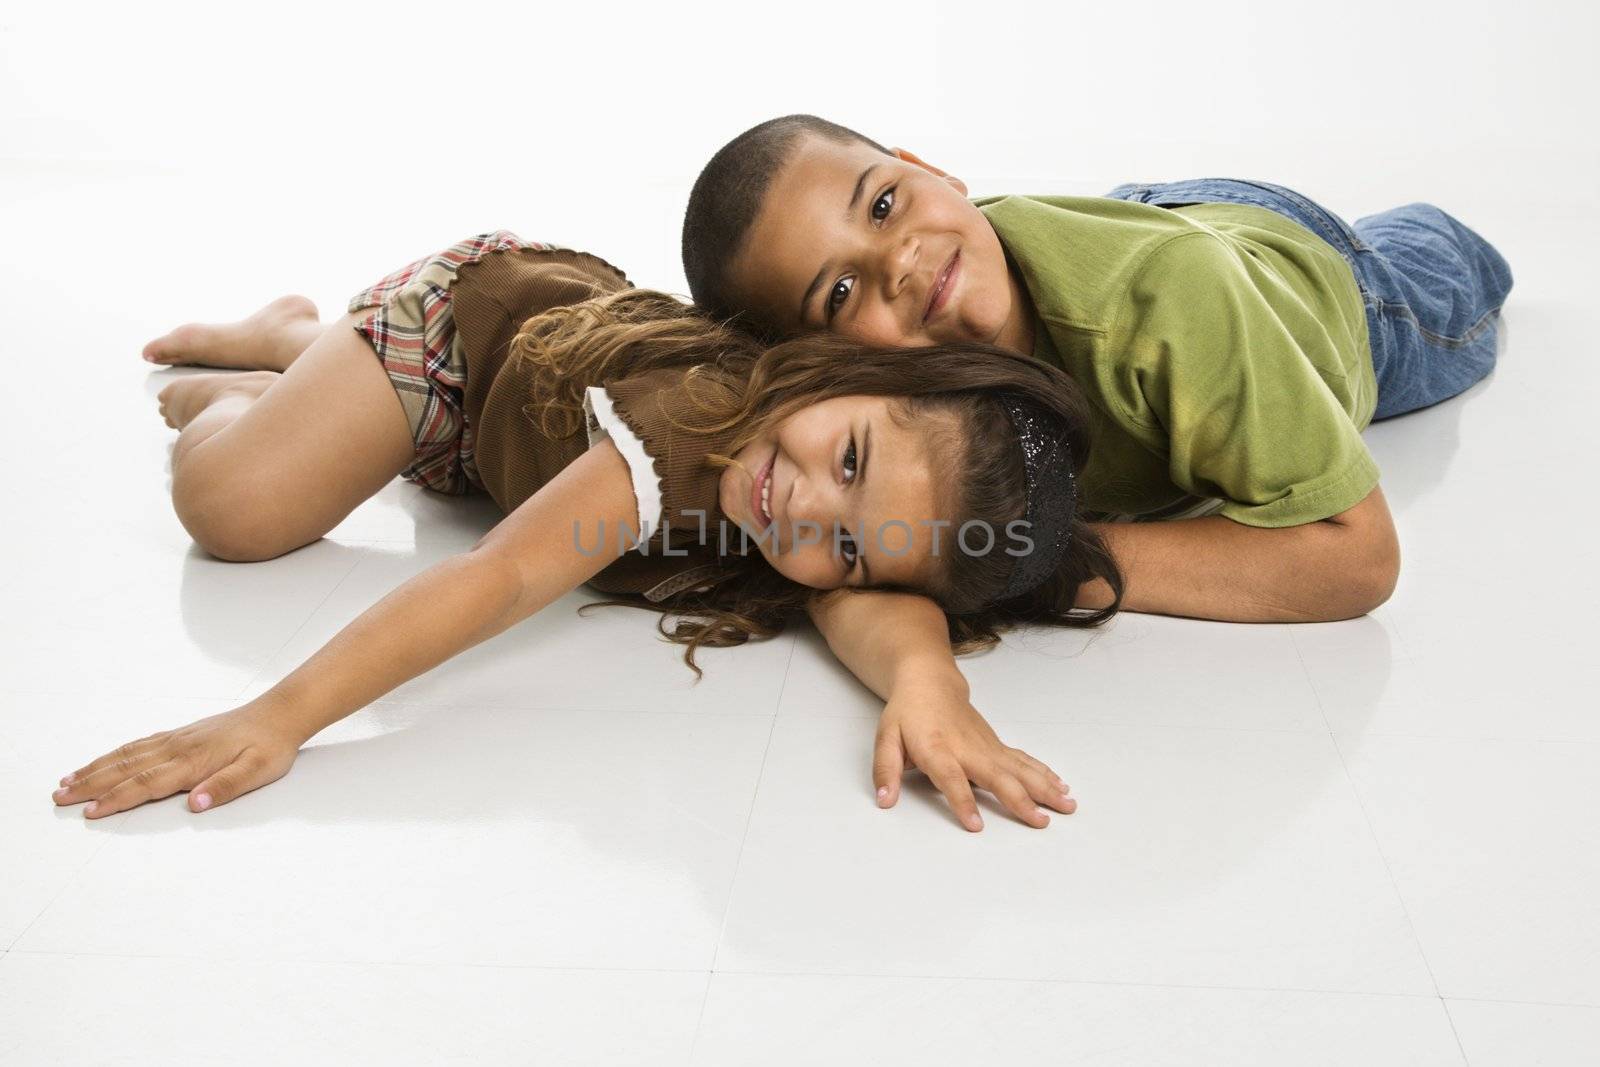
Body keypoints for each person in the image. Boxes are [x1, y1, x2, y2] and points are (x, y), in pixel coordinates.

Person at [52, 234, 1117, 831]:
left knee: (391, 465)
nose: (805, 510)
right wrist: (279, 716)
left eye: (846, 539)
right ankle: (263, 378)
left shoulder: (823, 510)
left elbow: (870, 599)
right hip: (462, 345)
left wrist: (932, 686)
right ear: (859, 372)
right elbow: (502, 573)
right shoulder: (685, 423)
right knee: (235, 513)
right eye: (845, 460)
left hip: (498, 452)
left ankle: (306, 363)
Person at [680, 114, 1514, 814]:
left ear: (927, 166)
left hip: (1301, 277)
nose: (898, 258)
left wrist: (1054, 565)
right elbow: (844, 570)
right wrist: (922, 670)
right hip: (1144, 232)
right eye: (838, 294)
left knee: (1449, 280)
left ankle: (1437, 232)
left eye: (886, 202)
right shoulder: (861, 433)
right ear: (816, 365)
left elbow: (1358, 556)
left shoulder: (1170, 305)